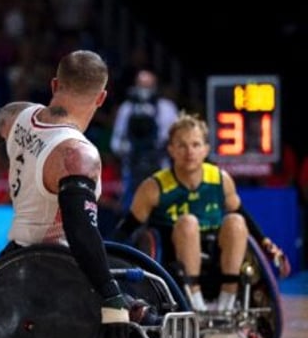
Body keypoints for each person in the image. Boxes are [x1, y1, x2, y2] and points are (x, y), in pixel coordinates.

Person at [0, 49, 131, 338]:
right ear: (101, 98)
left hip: (12, 257)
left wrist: (18, 141)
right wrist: (110, 293)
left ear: (54, 85)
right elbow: (81, 231)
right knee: (144, 317)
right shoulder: (76, 154)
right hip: (55, 270)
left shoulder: (18, 116)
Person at [113, 111, 291, 312]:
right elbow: (128, 228)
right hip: (174, 264)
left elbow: (243, 215)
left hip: (218, 262)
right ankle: (194, 298)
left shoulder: (220, 179)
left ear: (206, 149)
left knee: (235, 221)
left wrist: (266, 244)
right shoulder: (154, 186)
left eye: (196, 145)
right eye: (182, 145)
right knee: (189, 222)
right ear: (171, 149)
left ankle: (228, 296)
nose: (189, 152)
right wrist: (108, 256)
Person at [110, 69, 179, 211]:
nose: (144, 90)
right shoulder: (127, 109)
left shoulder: (166, 108)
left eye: (148, 86)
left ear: (155, 86)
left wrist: (161, 146)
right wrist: (128, 148)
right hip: (133, 168)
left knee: (162, 212)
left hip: (160, 167)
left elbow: (177, 139)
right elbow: (115, 142)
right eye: (141, 85)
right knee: (132, 212)